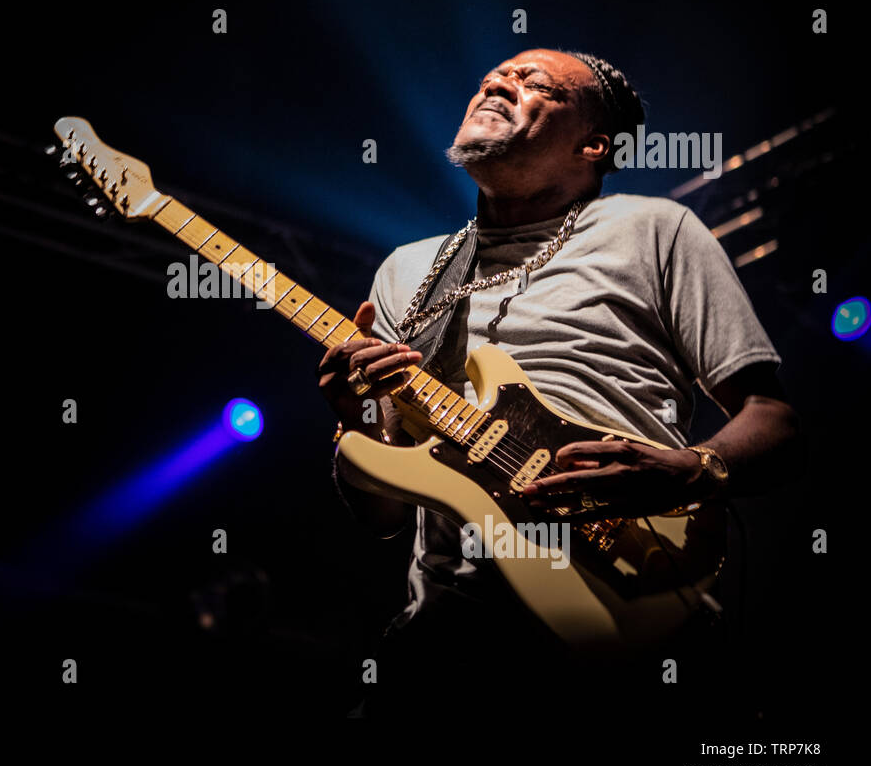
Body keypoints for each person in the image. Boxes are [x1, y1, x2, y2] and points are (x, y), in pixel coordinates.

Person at [317, 48, 800, 716]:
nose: (496, 80)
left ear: (593, 143)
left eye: (530, 81)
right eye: (493, 74)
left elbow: (774, 416)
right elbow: (384, 516)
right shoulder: (409, 271)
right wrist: (360, 419)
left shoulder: (654, 230)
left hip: (631, 600)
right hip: (450, 639)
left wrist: (689, 470)